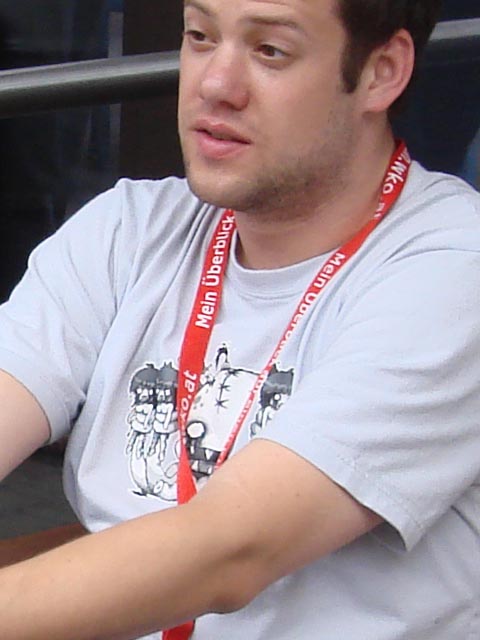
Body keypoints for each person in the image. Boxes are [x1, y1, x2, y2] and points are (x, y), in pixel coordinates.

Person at [1, 0, 480, 638]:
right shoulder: (130, 229)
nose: (215, 84)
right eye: (200, 36)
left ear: (381, 71)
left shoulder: (452, 268)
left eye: (269, 51)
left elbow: (231, 552)